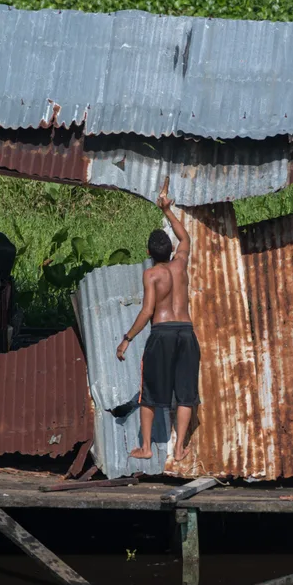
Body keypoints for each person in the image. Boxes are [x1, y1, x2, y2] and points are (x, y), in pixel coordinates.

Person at [116, 178, 200, 462]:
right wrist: (167, 210)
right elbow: (185, 238)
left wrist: (127, 339)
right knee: (186, 392)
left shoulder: (152, 275)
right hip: (187, 333)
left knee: (149, 393)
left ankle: (147, 447)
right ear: (170, 250)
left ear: (149, 254)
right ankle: (179, 449)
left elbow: (147, 312)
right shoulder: (181, 264)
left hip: (162, 334)